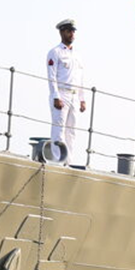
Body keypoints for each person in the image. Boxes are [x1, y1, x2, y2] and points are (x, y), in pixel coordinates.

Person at [46, 19, 87, 165]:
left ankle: (68, 161)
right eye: (69, 31)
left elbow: (80, 79)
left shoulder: (77, 55)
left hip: (74, 95)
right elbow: (51, 76)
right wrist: (55, 96)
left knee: (71, 131)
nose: (72, 34)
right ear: (62, 32)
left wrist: (82, 99)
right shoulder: (55, 52)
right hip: (61, 93)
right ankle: (57, 160)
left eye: (73, 31)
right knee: (59, 129)